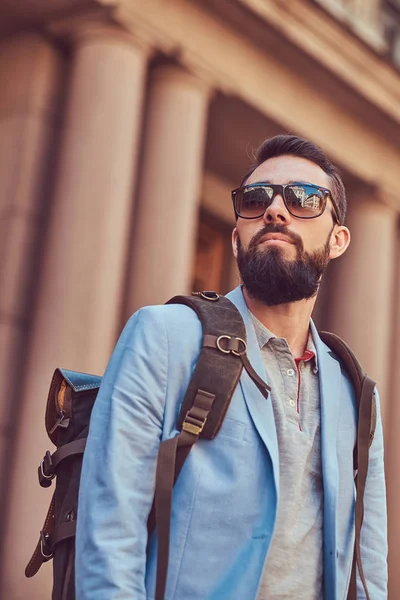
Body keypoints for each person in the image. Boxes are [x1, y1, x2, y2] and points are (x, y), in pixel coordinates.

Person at [75, 135, 387, 599]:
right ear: (237, 233)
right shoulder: (163, 335)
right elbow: (109, 533)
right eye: (257, 199)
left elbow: (367, 571)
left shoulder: (355, 391)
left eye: (303, 199)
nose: (275, 211)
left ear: (338, 239)